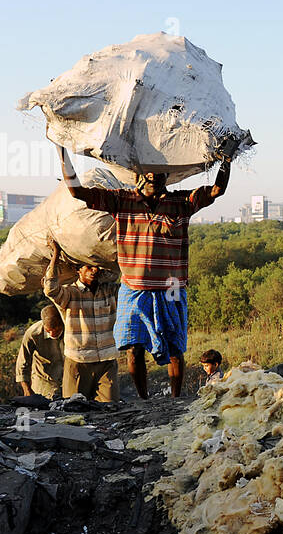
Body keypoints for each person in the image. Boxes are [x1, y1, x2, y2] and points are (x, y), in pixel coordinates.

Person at [54, 138, 231, 397]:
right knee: (133, 347)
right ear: (139, 176)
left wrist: (226, 160)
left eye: (160, 175)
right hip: (134, 288)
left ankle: (175, 398)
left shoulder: (182, 202)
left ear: (166, 178)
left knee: (174, 348)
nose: (154, 178)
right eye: (149, 174)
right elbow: (78, 192)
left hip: (171, 288)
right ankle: (144, 399)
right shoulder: (122, 202)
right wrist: (62, 154)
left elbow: (217, 190)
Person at [43, 239, 121, 401]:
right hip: (79, 361)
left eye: (97, 267)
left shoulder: (110, 291)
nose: (94, 270)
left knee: (110, 408)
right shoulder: (70, 293)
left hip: (107, 360)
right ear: (77, 270)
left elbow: (129, 284)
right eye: (89, 267)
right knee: (75, 410)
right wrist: (56, 254)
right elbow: (50, 289)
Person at [15, 306, 65, 398]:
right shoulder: (33, 334)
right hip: (44, 383)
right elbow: (22, 363)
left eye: (57, 330)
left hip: (67, 381)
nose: (52, 334)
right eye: (48, 331)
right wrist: (27, 390)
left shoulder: (71, 329)